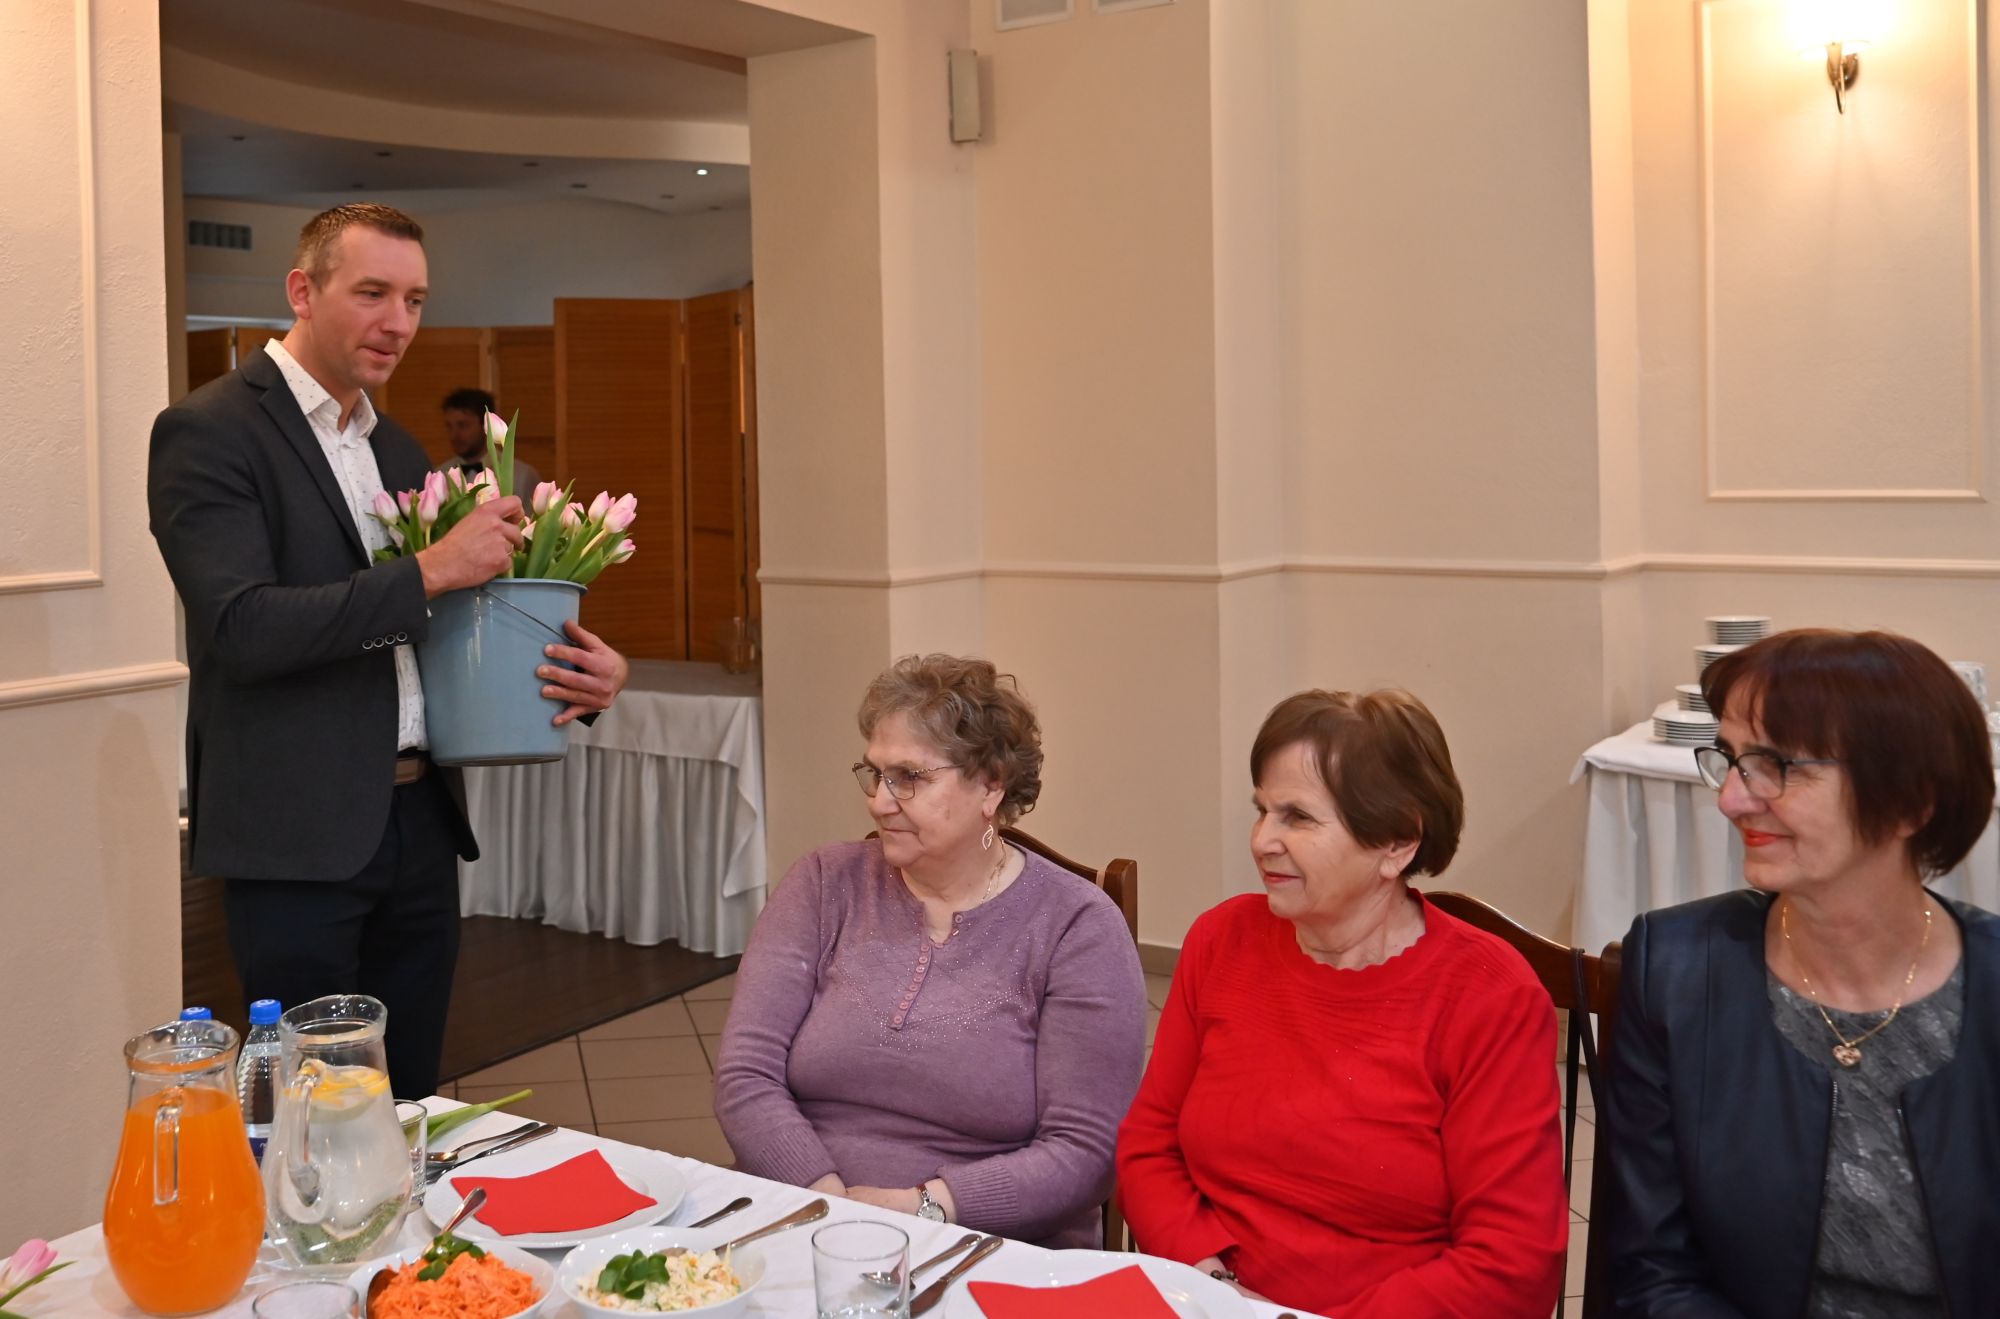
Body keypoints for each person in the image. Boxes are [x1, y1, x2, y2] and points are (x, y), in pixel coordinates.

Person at [148, 203, 628, 1098]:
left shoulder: (398, 449)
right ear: (302, 290)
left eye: (414, 300)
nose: (399, 322)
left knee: (408, 1099)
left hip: (419, 825)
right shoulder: (210, 430)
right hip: (295, 836)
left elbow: (446, 626)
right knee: (313, 1114)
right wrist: (432, 569)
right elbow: (243, 628)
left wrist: (583, 674)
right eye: (372, 292)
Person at [1118, 689, 1567, 1317]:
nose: (1262, 840)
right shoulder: (1222, 941)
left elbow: (1513, 1259)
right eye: (1262, 810)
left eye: (1297, 818)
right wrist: (1218, 1289)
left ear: (1397, 843)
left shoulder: (1490, 997)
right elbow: (1149, 1144)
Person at [1599, 629, 2000, 1317]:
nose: (1732, 799)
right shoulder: (1675, 969)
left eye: (1777, 764)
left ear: (1912, 800)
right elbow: (1649, 1270)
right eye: (1732, 760)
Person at [714, 654, 1146, 1248]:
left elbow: (1086, 1152)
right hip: (801, 1214)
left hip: (992, 1246)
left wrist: (921, 1208)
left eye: (909, 777)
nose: (879, 801)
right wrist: (828, 1205)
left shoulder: (1077, 925)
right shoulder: (823, 882)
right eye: (874, 774)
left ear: (991, 783)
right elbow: (746, 1076)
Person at [438, 387, 541, 492]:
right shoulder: (441, 475)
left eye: (463, 425)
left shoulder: (522, 476)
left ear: (486, 424)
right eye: (449, 426)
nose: (453, 435)